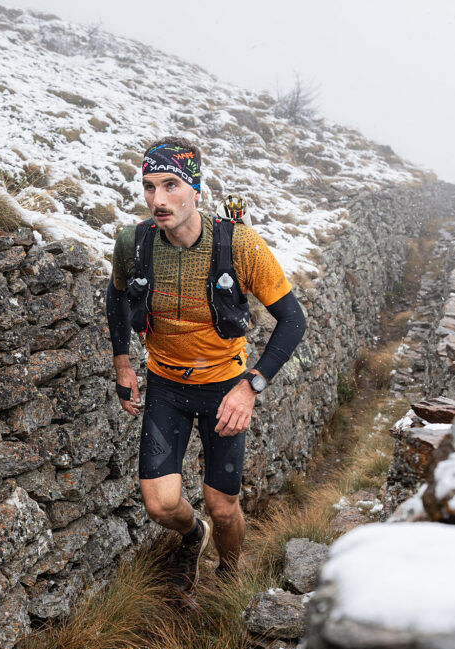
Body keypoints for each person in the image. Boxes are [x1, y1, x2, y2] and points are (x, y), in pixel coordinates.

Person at [105, 137, 306, 588]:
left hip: (225, 387)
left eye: (171, 185)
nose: (158, 200)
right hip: (166, 386)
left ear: (196, 188)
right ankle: (194, 535)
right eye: (149, 186)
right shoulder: (132, 243)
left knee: (223, 504)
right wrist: (123, 364)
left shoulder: (239, 246)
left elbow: (293, 320)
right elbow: (115, 298)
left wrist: (249, 386)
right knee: (160, 504)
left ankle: (230, 576)